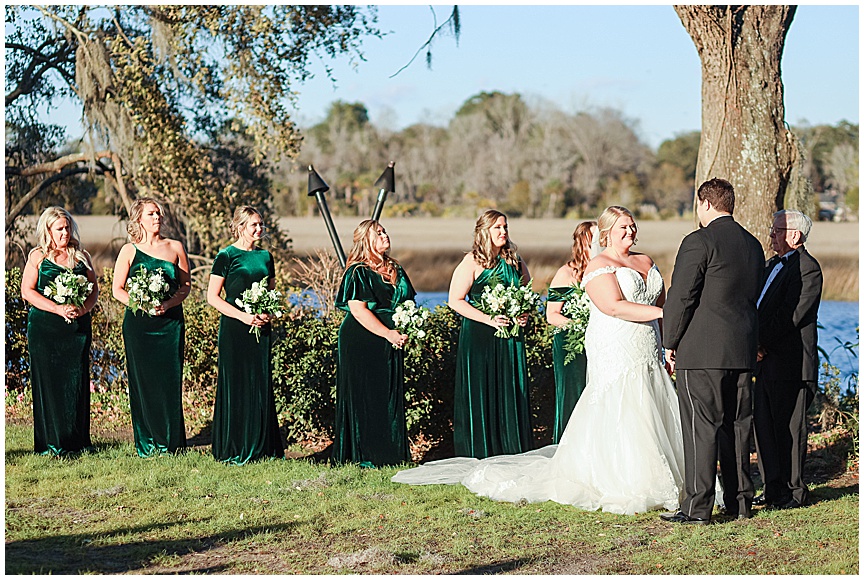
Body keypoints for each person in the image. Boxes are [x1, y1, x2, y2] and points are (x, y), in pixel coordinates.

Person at [393, 206, 685, 516]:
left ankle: (667, 474)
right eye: (623, 227)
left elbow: (660, 302)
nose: (630, 231)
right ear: (607, 233)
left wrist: (669, 344)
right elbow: (613, 307)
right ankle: (626, 478)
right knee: (624, 403)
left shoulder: (647, 261)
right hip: (618, 342)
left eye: (633, 225)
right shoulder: (600, 264)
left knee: (652, 401)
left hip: (649, 343)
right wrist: (664, 314)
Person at [662, 178, 764, 524]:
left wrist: (670, 341)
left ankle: (697, 508)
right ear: (729, 204)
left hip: (702, 350)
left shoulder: (699, 241)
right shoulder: (753, 246)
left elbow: (682, 296)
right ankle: (740, 503)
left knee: (700, 427)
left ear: (704, 204)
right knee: (738, 426)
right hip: (742, 349)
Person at [447, 209, 533, 458]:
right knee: (483, 390)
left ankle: (513, 449)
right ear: (484, 231)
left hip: (511, 338)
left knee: (511, 389)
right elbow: (455, 300)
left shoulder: (514, 260)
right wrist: (488, 319)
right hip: (480, 336)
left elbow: (526, 293)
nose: (503, 232)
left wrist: (524, 313)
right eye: (498, 227)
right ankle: (482, 450)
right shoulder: (472, 261)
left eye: (505, 227)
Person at [753, 210, 822, 510]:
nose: (771, 234)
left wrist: (760, 341)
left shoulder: (808, 269)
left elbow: (792, 315)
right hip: (764, 360)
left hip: (792, 362)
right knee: (764, 426)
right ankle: (771, 489)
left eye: (777, 230)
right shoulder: (770, 266)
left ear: (794, 235)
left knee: (790, 428)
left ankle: (794, 492)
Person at [333, 220, 416, 467]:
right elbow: (358, 310)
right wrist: (387, 333)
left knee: (388, 394)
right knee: (365, 396)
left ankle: (391, 454)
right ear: (365, 241)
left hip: (390, 339)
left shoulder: (396, 269)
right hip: (362, 339)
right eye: (378, 233)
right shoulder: (358, 271)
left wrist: (407, 326)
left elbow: (408, 303)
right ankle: (364, 456)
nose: (384, 235)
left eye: (384, 231)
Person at [112, 198, 190, 457]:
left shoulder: (175, 247)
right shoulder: (129, 251)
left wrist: (168, 304)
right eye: (151, 213)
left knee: (169, 381)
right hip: (139, 327)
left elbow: (186, 286)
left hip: (170, 325)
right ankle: (147, 443)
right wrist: (141, 305)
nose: (157, 217)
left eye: (159, 213)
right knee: (142, 382)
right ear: (139, 220)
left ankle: (172, 443)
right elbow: (117, 290)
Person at [207, 206, 283, 464]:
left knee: (259, 383)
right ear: (240, 227)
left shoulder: (265, 256)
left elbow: (272, 292)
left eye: (261, 224)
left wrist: (267, 315)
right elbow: (212, 297)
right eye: (254, 225)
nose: (260, 229)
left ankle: (262, 445)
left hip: (261, 327)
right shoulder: (226, 256)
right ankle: (235, 445)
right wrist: (243, 316)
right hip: (235, 328)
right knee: (236, 384)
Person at [20, 207, 99, 456]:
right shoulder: (38, 257)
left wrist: (84, 309)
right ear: (48, 230)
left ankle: (77, 441)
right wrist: (57, 308)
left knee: (75, 383)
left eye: (67, 227)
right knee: (50, 385)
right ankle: (51, 443)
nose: (65, 232)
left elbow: (94, 289)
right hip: (46, 330)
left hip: (76, 330)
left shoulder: (81, 255)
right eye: (59, 229)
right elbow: (27, 291)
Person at [546, 220, 597, 443]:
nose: (599, 243)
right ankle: (569, 445)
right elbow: (552, 315)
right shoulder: (566, 273)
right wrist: (580, 326)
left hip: (600, 341)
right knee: (573, 394)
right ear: (582, 242)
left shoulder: (608, 270)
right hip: (571, 343)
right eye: (594, 239)